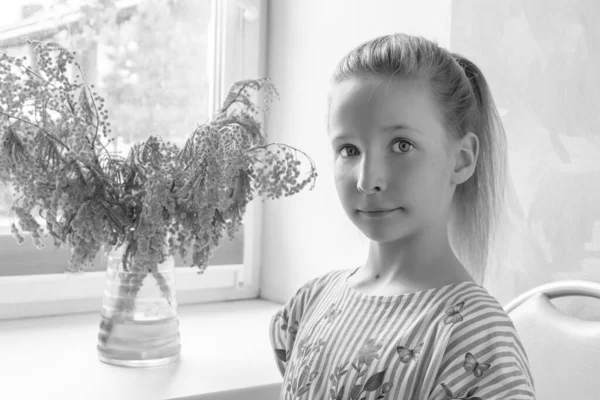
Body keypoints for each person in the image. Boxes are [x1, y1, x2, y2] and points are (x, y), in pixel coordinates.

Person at [269, 33, 535, 399]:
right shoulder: (308, 305)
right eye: (349, 149)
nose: (367, 180)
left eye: (401, 145)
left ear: (461, 159)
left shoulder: (477, 339)